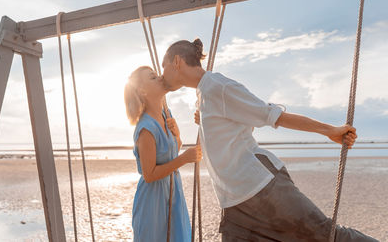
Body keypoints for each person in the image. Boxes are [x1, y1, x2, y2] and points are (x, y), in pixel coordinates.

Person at [160, 39, 378, 241]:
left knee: (327, 236)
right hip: (234, 203)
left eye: (164, 67)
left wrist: (330, 130)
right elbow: (240, 123)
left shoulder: (219, 86)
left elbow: (272, 116)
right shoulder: (203, 95)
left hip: (263, 188)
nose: (162, 75)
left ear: (177, 62)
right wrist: (206, 120)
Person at [124, 66, 202, 242]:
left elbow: (172, 149)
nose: (159, 77)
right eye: (152, 77)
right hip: (153, 201)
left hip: (173, 193)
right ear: (143, 91)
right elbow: (149, 174)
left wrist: (178, 135)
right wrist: (184, 159)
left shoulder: (166, 114)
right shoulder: (146, 129)